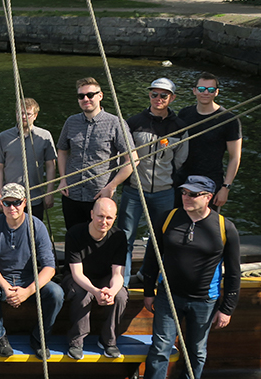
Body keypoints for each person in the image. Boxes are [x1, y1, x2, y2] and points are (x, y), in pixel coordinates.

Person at [142, 176, 240, 379]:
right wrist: (149, 291)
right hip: (168, 297)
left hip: (205, 301)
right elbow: (152, 257)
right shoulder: (168, 219)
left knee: (196, 352)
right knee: (160, 347)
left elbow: (233, 272)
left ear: (208, 198)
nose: (186, 198)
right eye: (184, 193)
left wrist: (227, 308)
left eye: (193, 194)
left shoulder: (225, 228)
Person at [0, 183, 63, 360]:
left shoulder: (37, 226)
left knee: (56, 293)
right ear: (0, 203)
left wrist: (28, 291)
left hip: (28, 281)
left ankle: (39, 337)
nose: (12, 208)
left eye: (16, 202)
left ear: (24, 202)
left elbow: (49, 267)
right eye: (7, 203)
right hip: (0, 279)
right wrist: (5, 286)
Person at [118, 78, 188, 285]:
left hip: (164, 191)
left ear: (172, 98)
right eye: (154, 94)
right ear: (149, 95)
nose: (158, 99)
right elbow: (124, 155)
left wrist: (169, 180)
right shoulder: (134, 122)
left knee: (160, 238)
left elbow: (180, 160)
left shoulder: (180, 127)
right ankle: (122, 284)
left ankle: (150, 277)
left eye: (163, 95)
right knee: (125, 238)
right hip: (134, 189)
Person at [57, 77, 136, 230]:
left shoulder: (115, 123)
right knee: (74, 236)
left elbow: (132, 159)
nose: (86, 99)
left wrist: (111, 186)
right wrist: (62, 179)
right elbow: (62, 150)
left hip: (101, 195)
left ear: (100, 96)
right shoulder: (71, 122)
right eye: (81, 96)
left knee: (101, 242)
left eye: (90, 95)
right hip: (72, 193)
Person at [62, 198, 127, 360]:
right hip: (76, 278)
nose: (104, 222)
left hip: (104, 278)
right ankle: (76, 341)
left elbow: (118, 274)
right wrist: (95, 291)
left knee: (121, 296)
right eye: (100, 216)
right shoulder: (75, 233)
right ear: (91, 214)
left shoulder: (119, 237)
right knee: (83, 295)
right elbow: (77, 273)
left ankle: (109, 341)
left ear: (115, 218)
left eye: (109, 218)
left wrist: (111, 292)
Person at [177, 72, 242, 209]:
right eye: (201, 89)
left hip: (211, 182)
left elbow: (234, 157)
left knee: (206, 226)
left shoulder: (229, 120)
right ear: (194, 91)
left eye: (210, 89)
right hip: (183, 179)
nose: (205, 93)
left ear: (216, 92)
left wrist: (226, 188)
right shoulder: (184, 114)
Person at [0, 97, 57, 221]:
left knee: (34, 231)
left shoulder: (45, 136)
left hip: (35, 197)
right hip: (9, 198)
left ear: (35, 116)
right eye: (20, 113)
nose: (23, 117)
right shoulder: (3, 137)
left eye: (27, 114)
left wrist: (49, 193)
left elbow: (51, 165)